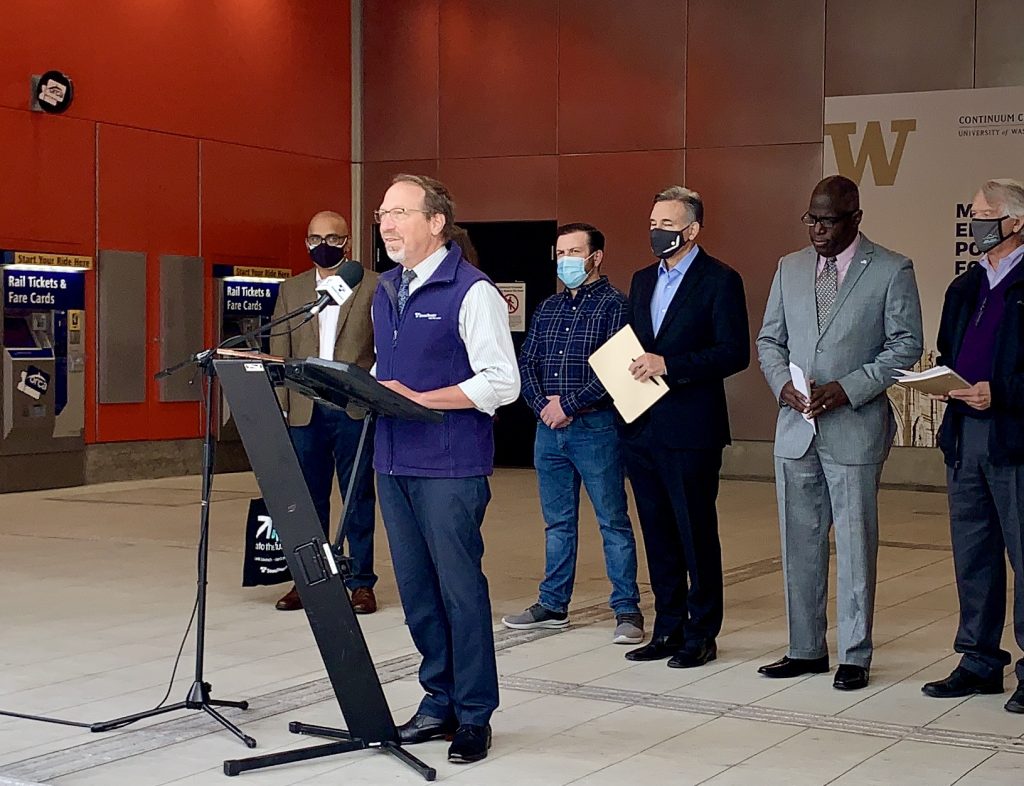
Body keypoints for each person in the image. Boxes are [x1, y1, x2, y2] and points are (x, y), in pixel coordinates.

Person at [371, 174, 520, 763]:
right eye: (382, 213)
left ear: (437, 221)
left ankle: (475, 715)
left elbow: (502, 382)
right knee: (416, 593)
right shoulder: (385, 289)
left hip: (450, 465)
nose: (386, 223)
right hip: (391, 460)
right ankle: (438, 700)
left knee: (459, 592)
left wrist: (418, 399)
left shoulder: (472, 290)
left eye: (400, 212)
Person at [756, 175, 923, 691]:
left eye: (828, 221)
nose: (818, 231)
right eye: (811, 220)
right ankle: (804, 648)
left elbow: (905, 345)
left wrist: (849, 388)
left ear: (855, 218)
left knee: (854, 545)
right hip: (796, 429)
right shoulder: (789, 268)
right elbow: (769, 340)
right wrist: (783, 385)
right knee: (799, 543)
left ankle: (854, 653)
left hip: (853, 428)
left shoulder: (892, 269)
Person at [621, 186, 749, 668]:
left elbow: (733, 352)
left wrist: (669, 364)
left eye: (667, 226)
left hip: (692, 429)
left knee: (694, 532)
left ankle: (701, 632)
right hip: (643, 426)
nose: (656, 233)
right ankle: (667, 628)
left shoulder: (719, 280)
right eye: (652, 224)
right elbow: (635, 345)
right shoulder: (640, 280)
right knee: (657, 532)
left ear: (692, 231)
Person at [503, 222, 644, 645]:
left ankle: (627, 609)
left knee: (612, 521)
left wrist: (569, 404)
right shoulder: (548, 308)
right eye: (560, 253)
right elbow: (526, 362)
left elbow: (619, 368)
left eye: (574, 253)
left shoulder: (616, 306)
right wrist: (542, 406)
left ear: (595, 257)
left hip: (596, 428)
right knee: (557, 523)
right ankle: (552, 605)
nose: (565, 261)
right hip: (548, 431)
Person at [921, 178, 1024, 713]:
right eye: (973, 214)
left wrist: (1000, 392)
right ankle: (979, 661)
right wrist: (944, 385)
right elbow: (948, 352)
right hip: (964, 438)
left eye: (986, 214)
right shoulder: (964, 287)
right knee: (974, 555)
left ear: (1015, 221)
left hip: (1015, 439)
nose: (976, 222)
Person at [269, 210, 379, 614]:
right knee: (307, 501)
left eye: (332, 238)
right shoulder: (292, 290)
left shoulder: (374, 286)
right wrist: (281, 408)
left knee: (358, 500)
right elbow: (281, 352)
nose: (323, 245)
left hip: (353, 410)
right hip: (305, 411)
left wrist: (376, 398)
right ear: (306, 242)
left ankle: (361, 583)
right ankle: (309, 581)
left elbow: (384, 349)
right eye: (315, 238)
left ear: (347, 242)